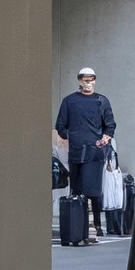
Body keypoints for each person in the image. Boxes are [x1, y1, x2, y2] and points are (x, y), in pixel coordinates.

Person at [55, 66, 118, 245]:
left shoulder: (101, 101)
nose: (88, 82)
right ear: (79, 80)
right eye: (85, 79)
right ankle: (78, 225)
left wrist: (105, 138)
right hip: (76, 152)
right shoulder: (70, 101)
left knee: (94, 191)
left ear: (95, 80)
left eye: (91, 79)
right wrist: (70, 137)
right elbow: (60, 125)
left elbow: (110, 125)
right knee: (76, 190)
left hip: (95, 152)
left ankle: (96, 225)